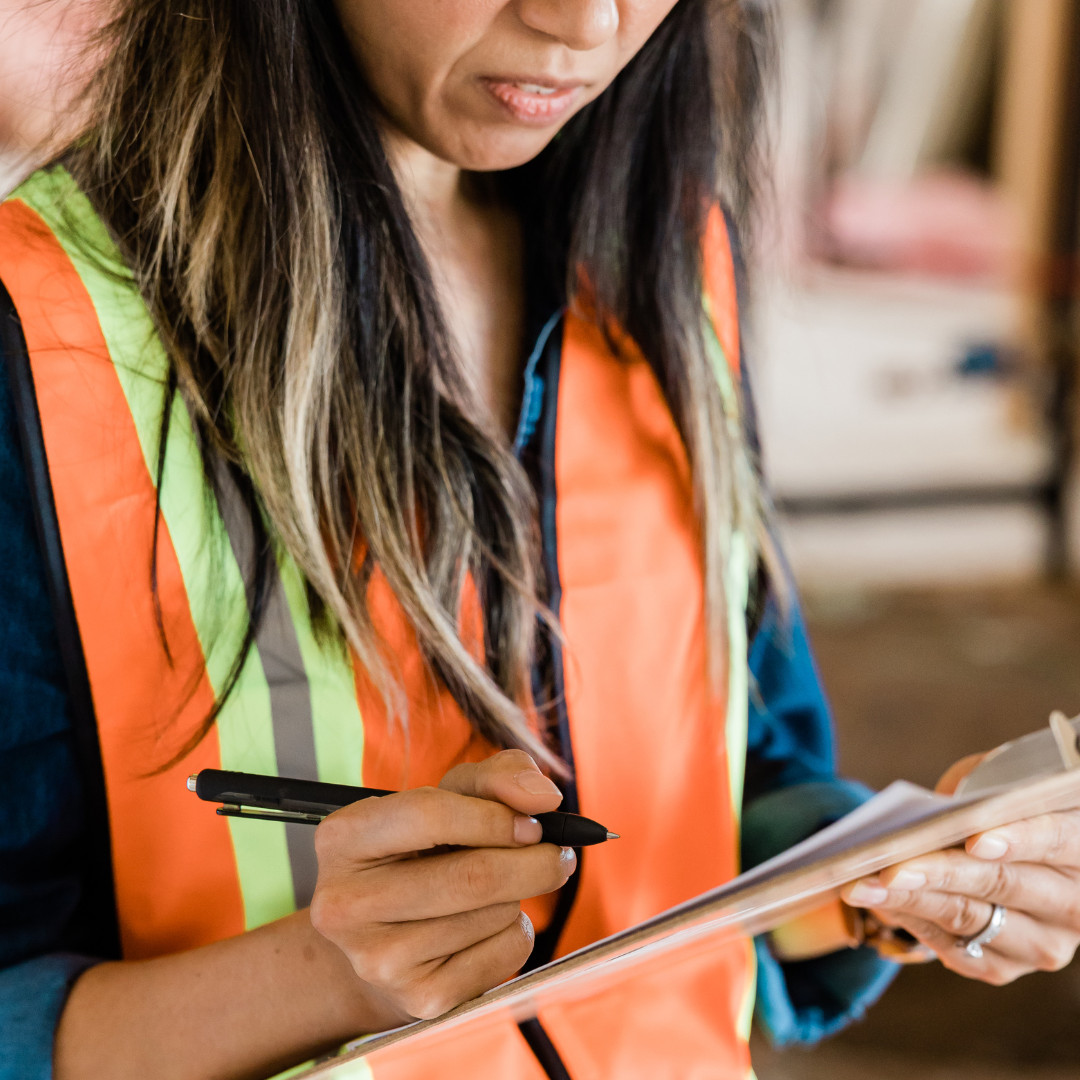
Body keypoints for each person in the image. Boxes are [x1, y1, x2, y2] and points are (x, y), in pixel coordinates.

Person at [2, 2, 1080, 1079]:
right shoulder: (41, 342)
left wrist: (892, 876)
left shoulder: (667, 256)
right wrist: (322, 977)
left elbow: (731, 786)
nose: (585, 23)